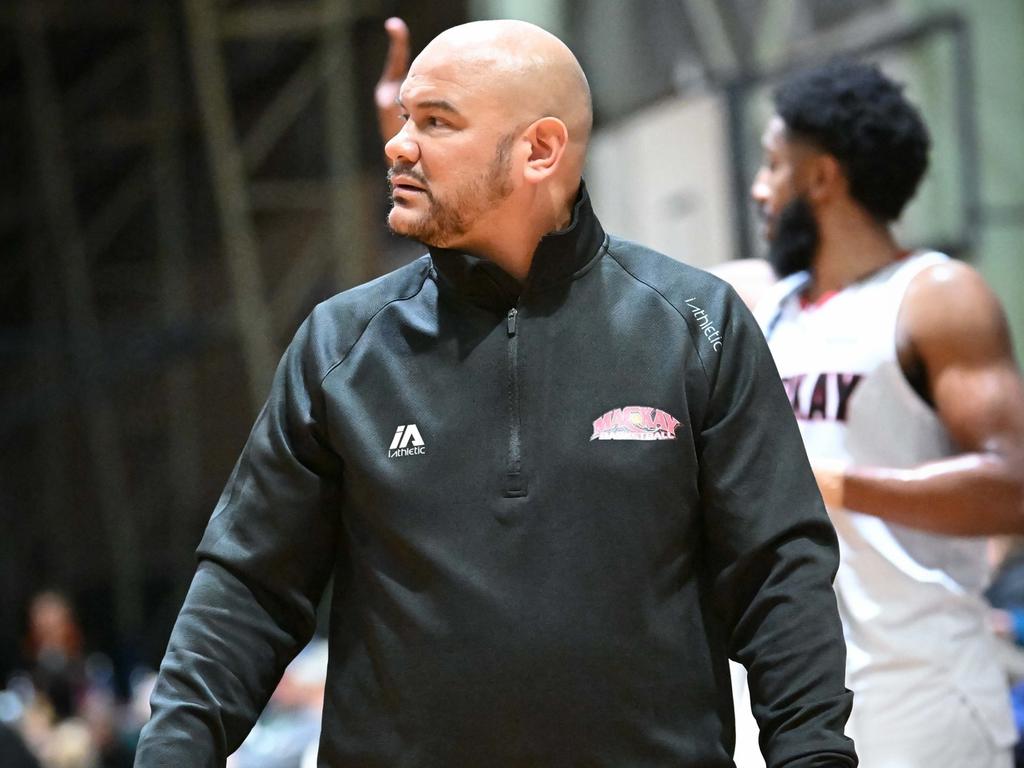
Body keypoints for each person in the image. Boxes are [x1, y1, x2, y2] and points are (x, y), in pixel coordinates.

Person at [135, 20, 857, 767]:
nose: (398, 143)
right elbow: (251, 585)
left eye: (436, 122)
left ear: (539, 150)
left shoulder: (696, 326)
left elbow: (779, 575)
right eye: (406, 116)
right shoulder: (339, 343)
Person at [725, 59, 1024, 767]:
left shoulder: (935, 294)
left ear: (822, 179)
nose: (758, 189)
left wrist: (831, 484)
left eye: (773, 166)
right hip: (793, 693)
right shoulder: (763, 305)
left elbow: (1014, 487)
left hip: (921, 693)